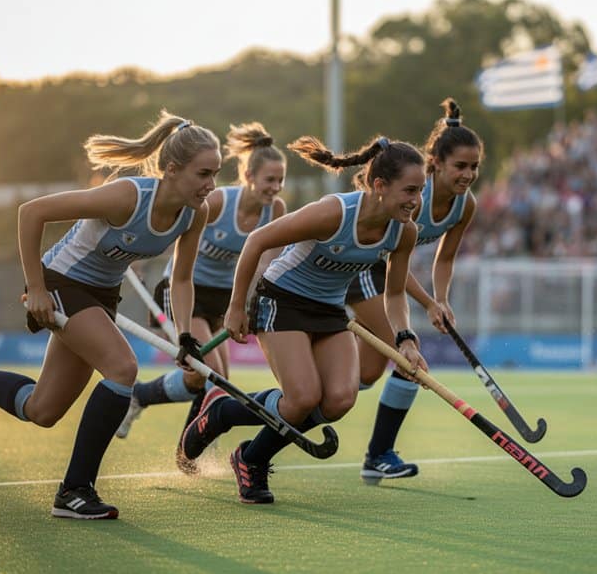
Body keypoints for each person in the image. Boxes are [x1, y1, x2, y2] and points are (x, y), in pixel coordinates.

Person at [0, 110, 220, 519]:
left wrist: (185, 336)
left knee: (41, 410)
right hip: (62, 281)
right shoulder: (127, 197)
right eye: (204, 173)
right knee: (122, 368)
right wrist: (38, 288)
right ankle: (75, 490)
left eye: (216, 174)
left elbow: (183, 279)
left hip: (101, 294)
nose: (211, 185)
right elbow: (31, 212)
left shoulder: (194, 213)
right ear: (172, 169)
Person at [178, 134, 429, 504]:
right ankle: (222, 417)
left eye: (420, 190)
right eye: (410, 190)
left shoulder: (403, 231)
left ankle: (249, 455)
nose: (416, 200)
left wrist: (405, 338)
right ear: (379, 185)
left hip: (328, 309)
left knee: (340, 400)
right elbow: (257, 241)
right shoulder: (334, 213)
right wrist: (236, 307)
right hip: (282, 300)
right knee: (301, 398)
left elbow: (393, 295)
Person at [115, 121, 288, 444]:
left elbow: (266, 263)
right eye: (269, 179)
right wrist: (138, 258)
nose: (275, 187)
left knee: (208, 379)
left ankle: (141, 395)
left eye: (280, 180)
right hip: (185, 290)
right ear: (248, 177)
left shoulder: (276, 209)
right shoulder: (220, 201)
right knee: (212, 373)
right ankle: (189, 447)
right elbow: (178, 235)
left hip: (223, 297)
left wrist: (250, 302)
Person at [347, 98, 482, 483]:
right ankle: (378, 456)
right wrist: (425, 303)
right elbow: (393, 261)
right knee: (410, 361)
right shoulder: (412, 198)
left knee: (365, 375)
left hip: (385, 273)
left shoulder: (464, 205)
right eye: (460, 166)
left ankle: (291, 398)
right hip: (364, 269)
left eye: (474, 166)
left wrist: (441, 299)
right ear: (435, 162)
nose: (468, 174)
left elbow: (444, 259)